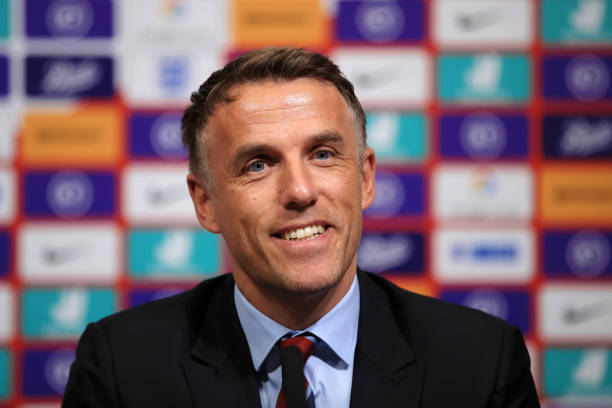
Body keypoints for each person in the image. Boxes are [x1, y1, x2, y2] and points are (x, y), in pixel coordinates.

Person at [63, 47, 539, 407]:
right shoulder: (121, 368)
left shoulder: (481, 363)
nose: (299, 191)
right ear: (205, 203)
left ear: (365, 178)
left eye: (324, 154)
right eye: (257, 165)